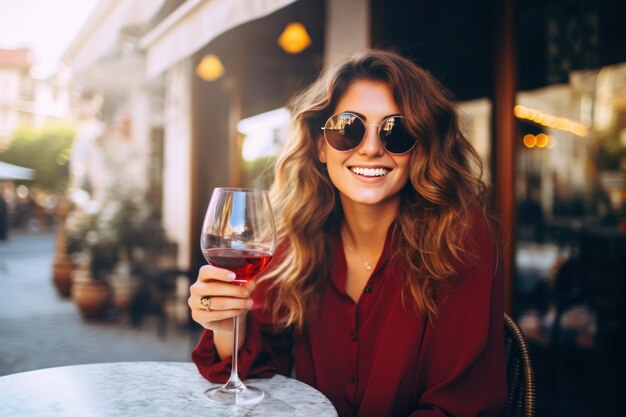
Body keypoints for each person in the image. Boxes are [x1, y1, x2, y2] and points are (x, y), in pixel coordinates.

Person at [189, 49, 507, 416]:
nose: (371, 148)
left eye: (396, 131)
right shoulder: (298, 237)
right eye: (348, 128)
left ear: (419, 149)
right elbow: (260, 369)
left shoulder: (460, 237)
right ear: (322, 145)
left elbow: (461, 406)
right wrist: (226, 322)